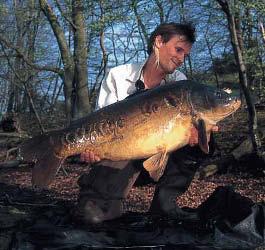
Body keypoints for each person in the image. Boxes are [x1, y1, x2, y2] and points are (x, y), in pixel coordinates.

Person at [75, 22, 217, 224]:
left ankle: (165, 204)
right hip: (122, 151)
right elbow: (101, 128)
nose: (181, 59)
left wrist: (200, 134)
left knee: (206, 131)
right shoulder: (118, 75)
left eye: (185, 54)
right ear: (158, 41)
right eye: (178, 49)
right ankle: (99, 191)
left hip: (162, 157)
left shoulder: (180, 83)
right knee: (94, 217)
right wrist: (91, 150)